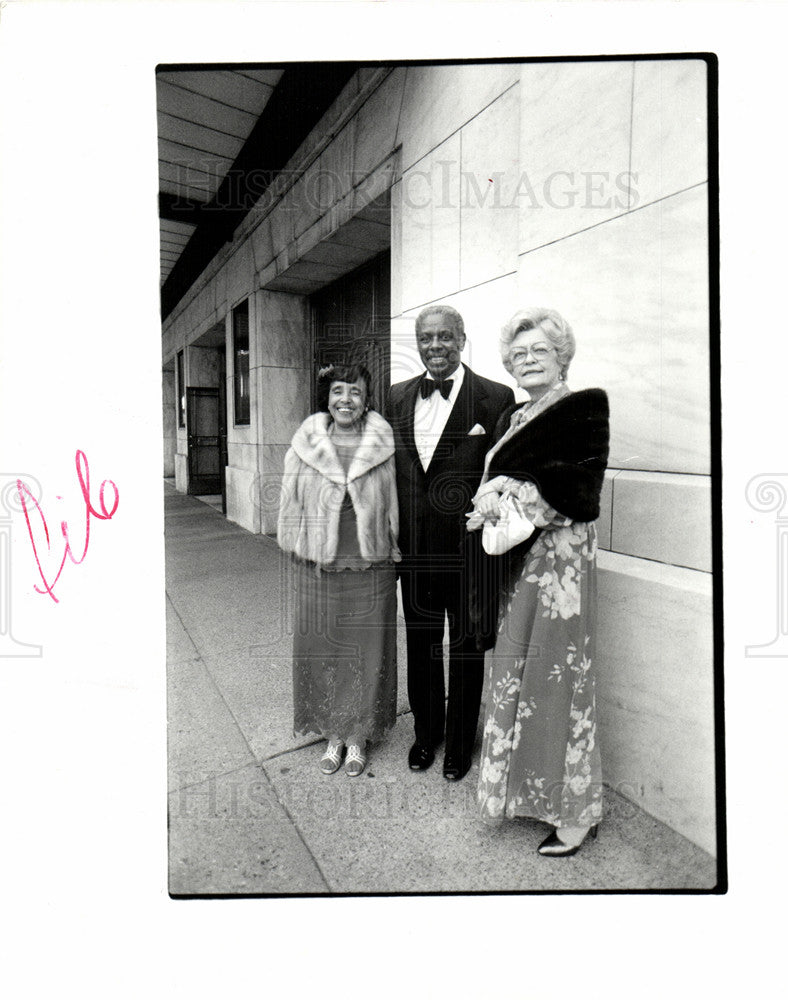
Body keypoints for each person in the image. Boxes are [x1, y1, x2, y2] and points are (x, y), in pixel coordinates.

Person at [467, 307, 609, 856]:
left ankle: (575, 813)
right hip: (517, 562)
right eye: (518, 354)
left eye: (539, 352)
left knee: (558, 679)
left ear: (561, 356)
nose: (527, 361)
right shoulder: (516, 417)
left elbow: (579, 491)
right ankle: (528, 794)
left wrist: (509, 500)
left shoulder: (581, 410)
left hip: (560, 566)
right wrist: (488, 497)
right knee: (518, 674)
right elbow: (490, 477)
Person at [387, 305, 514, 780]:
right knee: (421, 646)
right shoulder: (396, 396)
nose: (435, 345)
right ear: (417, 343)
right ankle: (427, 734)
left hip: (468, 552)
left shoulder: (496, 397)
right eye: (426, 338)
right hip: (414, 551)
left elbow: (504, 473)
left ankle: (460, 744)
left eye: (444, 336)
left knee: (464, 649)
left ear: (462, 338)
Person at [277, 362, 400, 777]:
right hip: (317, 567)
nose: (346, 399)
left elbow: (397, 504)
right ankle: (333, 732)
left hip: (372, 567)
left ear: (367, 401)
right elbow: (290, 503)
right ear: (327, 398)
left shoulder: (383, 444)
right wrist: (295, 547)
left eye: (356, 392)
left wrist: (396, 547)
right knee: (323, 650)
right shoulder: (305, 444)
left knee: (365, 653)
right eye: (338, 391)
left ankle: (359, 735)